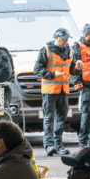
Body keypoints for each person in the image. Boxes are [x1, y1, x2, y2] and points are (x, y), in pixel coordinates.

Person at [34, 28, 73, 156]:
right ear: (57, 37)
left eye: (67, 39)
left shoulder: (70, 51)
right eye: (64, 38)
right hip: (50, 90)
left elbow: (72, 70)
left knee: (61, 119)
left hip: (63, 90)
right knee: (49, 118)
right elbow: (37, 70)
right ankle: (49, 145)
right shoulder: (46, 50)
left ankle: (59, 145)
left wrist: (77, 68)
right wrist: (52, 74)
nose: (66, 41)